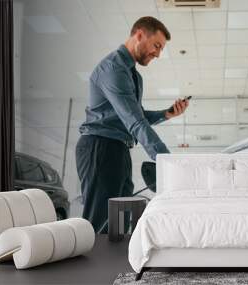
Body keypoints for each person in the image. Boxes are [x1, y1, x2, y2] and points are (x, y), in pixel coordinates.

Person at [75, 16, 188, 233]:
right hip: (100, 147)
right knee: (98, 224)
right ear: (139, 35)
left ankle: (115, 267)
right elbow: (135, 121)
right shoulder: (113, 69)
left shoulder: (133, 76)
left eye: (161, 49)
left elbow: (136, 115)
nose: (158, 53)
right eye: (157, 45)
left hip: (118, 149)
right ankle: (91, 266)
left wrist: (167, 114)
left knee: (120, 219)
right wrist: (166, 161)